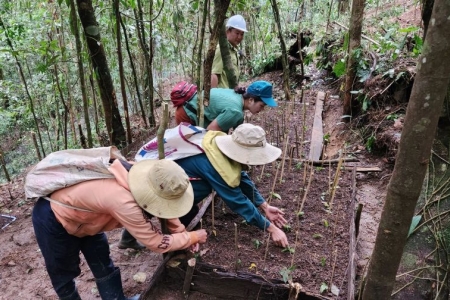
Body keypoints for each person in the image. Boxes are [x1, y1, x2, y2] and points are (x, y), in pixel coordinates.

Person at [32, 159, 208, 300]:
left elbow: (163, 204)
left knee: (101, 259)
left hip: (88, 217)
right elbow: (156, 243)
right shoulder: (123, 201)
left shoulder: (143, 174)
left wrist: (182, 233)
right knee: (62, 271)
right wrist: (193, 237)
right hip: (53, 218)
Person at [175, 123, 289, 247]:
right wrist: (272, 229)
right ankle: (176, 246)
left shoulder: (218, 150)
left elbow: (241, 177)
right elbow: (238, 202)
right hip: (171, 196)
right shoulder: (215, 167)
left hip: (183, 189)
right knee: (183, 219)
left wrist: (265, 206)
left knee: (190, 212)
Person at [175, 80, 277, 133]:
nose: (262, 109)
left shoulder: (237, 96)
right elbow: (211, 130)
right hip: (186, 114)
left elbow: (238, 131)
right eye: (262, 105)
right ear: (251, 100)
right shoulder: (235, 111)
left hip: (188, 109)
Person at [212, 14, 247, 88]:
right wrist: (212, 97)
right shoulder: (221, 49)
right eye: (237, 33)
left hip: (230, 95)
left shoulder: (234, 50)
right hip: (222, 96)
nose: (239, 37)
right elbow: (214, 75)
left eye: (242, 34)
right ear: (228, 31)